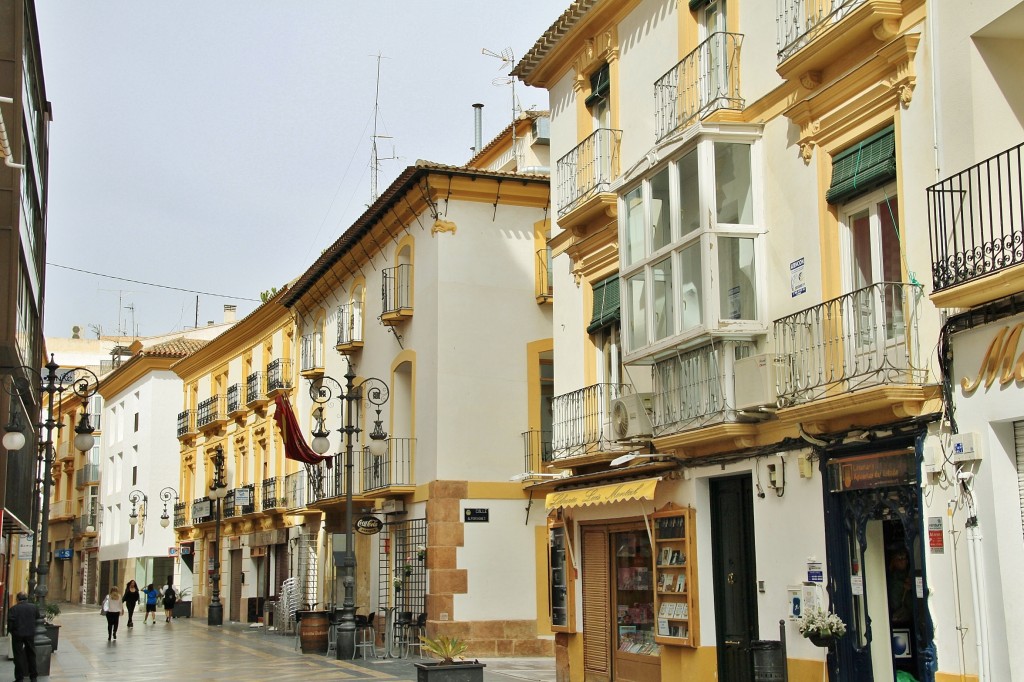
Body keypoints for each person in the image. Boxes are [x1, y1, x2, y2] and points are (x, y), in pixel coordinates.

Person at [8, 592, 38, 681]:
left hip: (18, 634)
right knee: (31, 655)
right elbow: (37, 616)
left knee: (18, 656)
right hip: (30, 634)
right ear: (26, 598)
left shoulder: (13, 609)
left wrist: (11, 631)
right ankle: (33, 677)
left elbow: (10, 623)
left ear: (17, 599)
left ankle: (19, 678)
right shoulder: (33, 607)